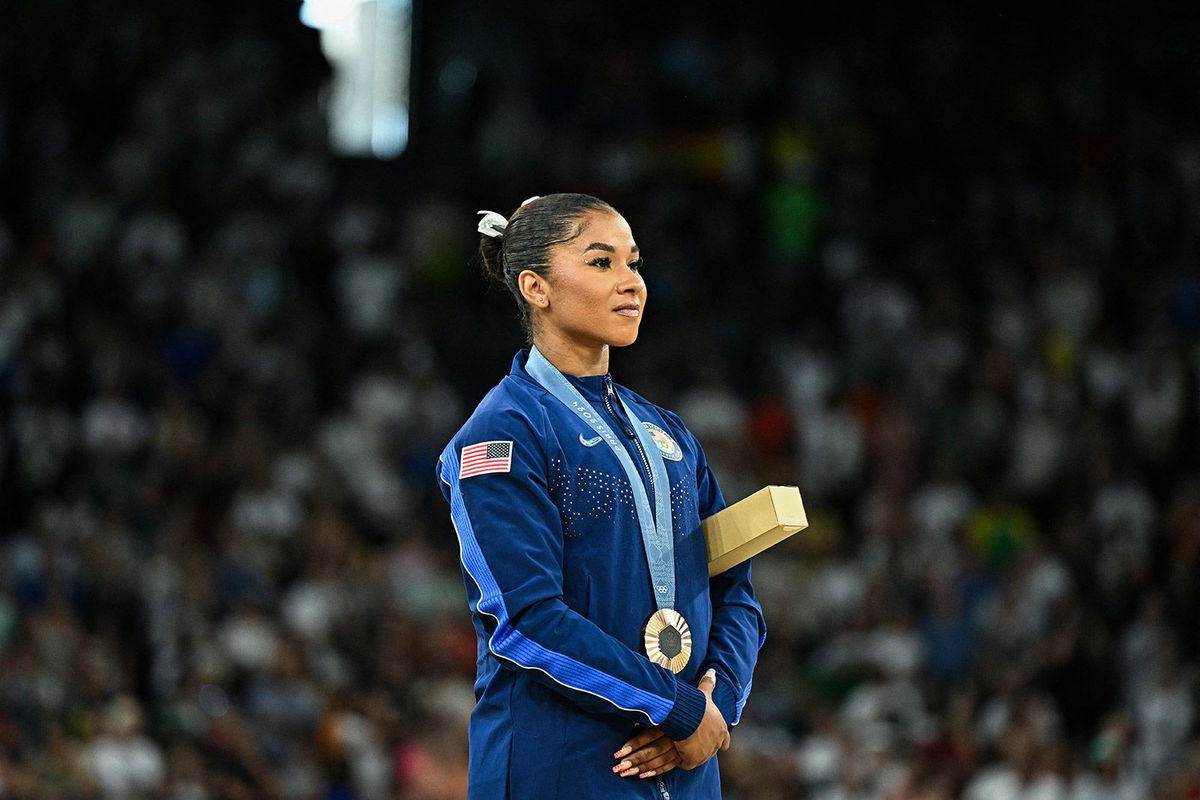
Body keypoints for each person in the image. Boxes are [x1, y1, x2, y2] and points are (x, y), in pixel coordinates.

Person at [436, 192, 766, 798]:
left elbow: (733, 588)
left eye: (634, 263)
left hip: (684, 765)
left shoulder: (668, 435)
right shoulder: (504, 433)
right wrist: (676, 709)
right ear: (536, 287)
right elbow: (527, 621)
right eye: (600, 262)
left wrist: (715, 705)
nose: (631, 283)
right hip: (563, 764)